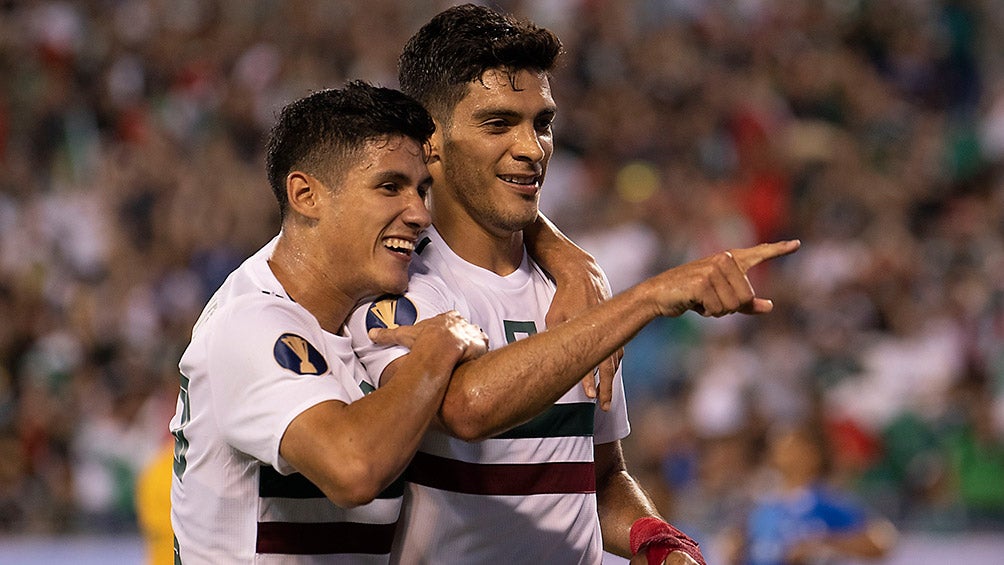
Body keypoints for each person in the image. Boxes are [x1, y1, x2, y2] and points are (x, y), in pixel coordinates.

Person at [346, 4, 800, 564]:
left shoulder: (578, 290)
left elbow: (600, 474)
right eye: (498, 123)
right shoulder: (395, 279)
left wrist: (659, 545)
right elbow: (466, 408)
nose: (532, 149)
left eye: (542, 122)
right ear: (430, 140)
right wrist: (647, 297)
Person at [168, 81, 488, 564]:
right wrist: (440, 347)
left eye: (423, 189)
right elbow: (352, 468)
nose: (421, 213)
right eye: (389, 186)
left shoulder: (357, 316)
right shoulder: (249, 321)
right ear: (306, 194)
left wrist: (568, 263)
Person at [721, 421, 897, 565]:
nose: (785, 453)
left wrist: (821, 544)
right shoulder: (760, 504)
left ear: (813, 454)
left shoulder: (827, 501)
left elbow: (879, 542)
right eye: (780, 447)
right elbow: (739, 546)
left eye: (792, 447)